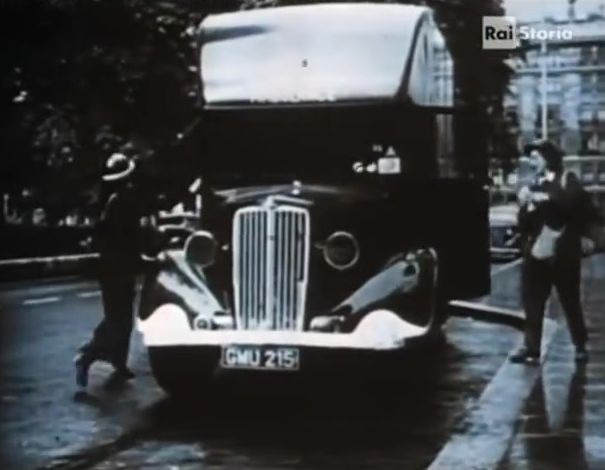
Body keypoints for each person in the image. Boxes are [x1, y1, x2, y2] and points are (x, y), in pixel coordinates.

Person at [510, 139, 603, 365]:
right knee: (532, 302)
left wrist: (544, 199)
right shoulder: (533, 185)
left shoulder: (567, 180)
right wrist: (526, 208)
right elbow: (524, 223)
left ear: (548, 158)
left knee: (570, 301)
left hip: (563, 254)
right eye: (530, 158)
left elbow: (571, 204)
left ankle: (580, 345)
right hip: (535, 253)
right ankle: (532, 348)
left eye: (535, 158)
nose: (532, 163)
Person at [74, 153, 148, 387]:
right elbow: (125, 238)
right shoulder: (120, 203)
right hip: (117, 267)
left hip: (117, 266)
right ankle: (87, 355)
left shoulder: (117, 201)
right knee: (117, 319)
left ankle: (118, 360)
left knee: (123, 318)